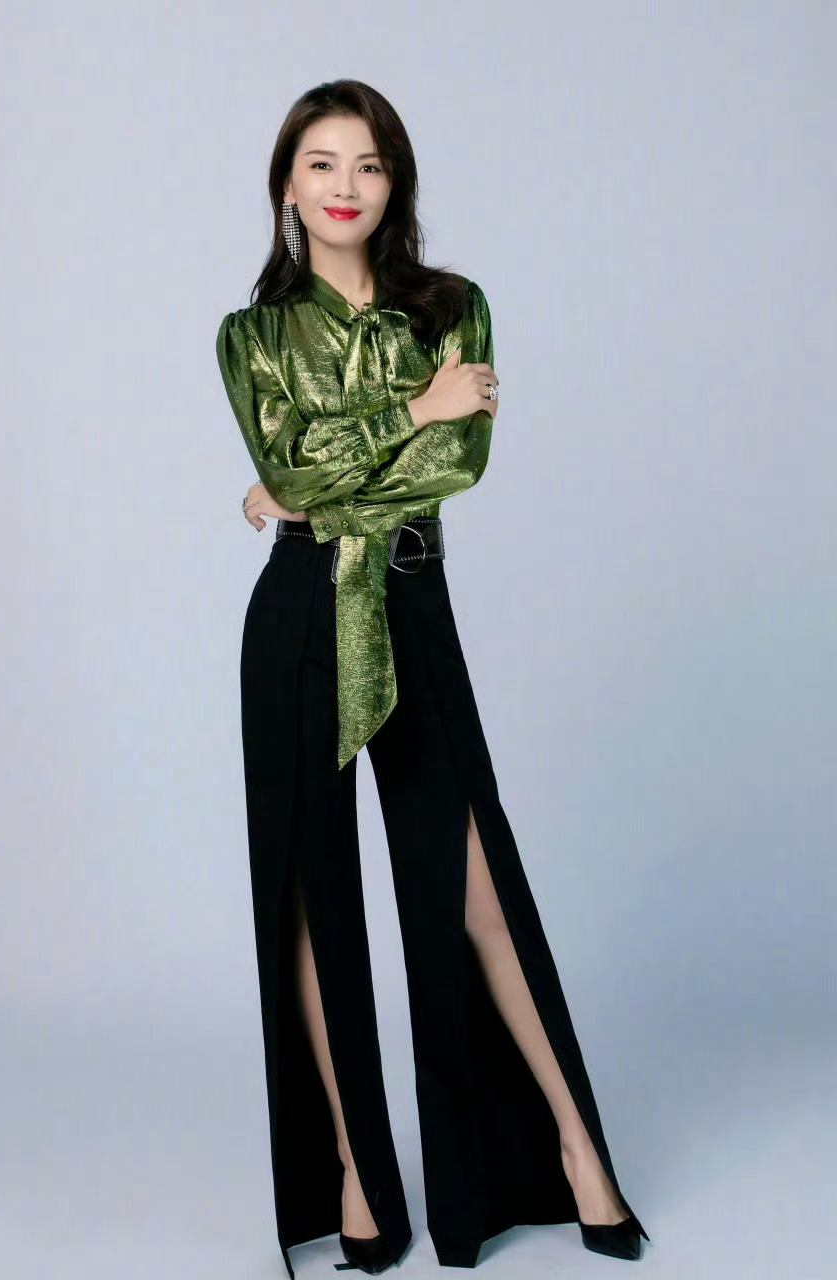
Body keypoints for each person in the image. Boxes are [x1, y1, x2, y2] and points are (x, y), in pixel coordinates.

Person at [215, 79, 651, 1278]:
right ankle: (356, 1173)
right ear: (287, 182)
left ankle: (574, 1149)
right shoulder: (253, 337)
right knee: (310, 896)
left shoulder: (453, 309)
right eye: (321, 162)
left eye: (368, 164)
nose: (344, 185)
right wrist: (406, 411)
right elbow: (293, 465)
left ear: (395, 183)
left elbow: (457, 463)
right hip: (298, 614)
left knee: (474, 888)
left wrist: (306, 479)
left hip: (409, 599)